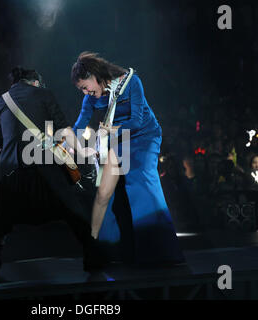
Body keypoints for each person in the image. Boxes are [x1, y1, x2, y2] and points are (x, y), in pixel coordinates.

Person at [0, 66, 105, 280]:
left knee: (0, 222)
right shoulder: (44, 94)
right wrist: (81, 150)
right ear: (35, 82)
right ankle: (92, 259)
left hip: (13, 174)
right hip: (44, 170)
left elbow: (0, 143)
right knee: (74, 212)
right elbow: (65, 131)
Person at [71, 52, 184, 265]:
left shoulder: (131, 82)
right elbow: (79, 125)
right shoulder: (90, 98)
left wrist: (110, 130)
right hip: (117, 140)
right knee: (107, 192)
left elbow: (137, 122)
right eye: (81, 90)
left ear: (95, 75)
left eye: (85, 86)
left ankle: (162, 252)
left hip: (144, 136)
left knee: (140, 181)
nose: (85, 92)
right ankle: (113, 251)